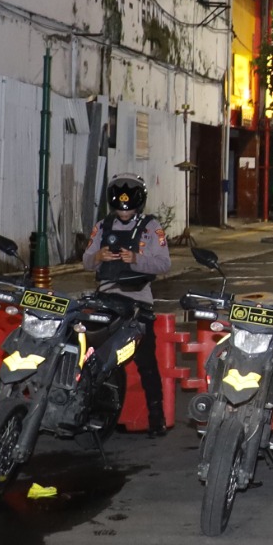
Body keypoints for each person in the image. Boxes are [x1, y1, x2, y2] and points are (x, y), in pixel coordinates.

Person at [82, 173, 172, 437]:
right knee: (90, 354)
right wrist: (98, 256)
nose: (125, 212)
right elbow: (86, 261)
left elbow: (164, 264)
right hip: (106, 299)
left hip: (137, 302)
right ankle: (91, 408)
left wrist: (135, 259)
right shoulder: (102, 225)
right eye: (121, 208)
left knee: (147, 362)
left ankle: (157, 417)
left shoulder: (151, 227)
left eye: (130, 208)